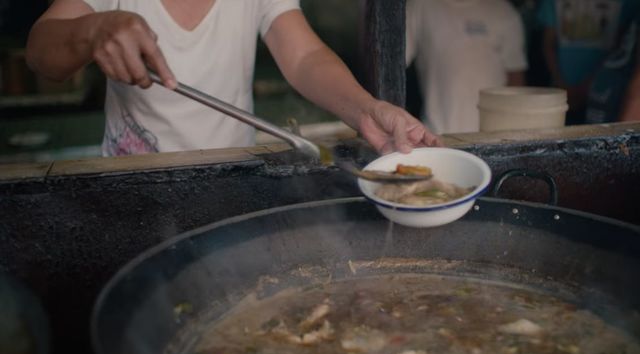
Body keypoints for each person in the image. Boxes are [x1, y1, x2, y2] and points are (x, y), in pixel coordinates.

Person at [26, 0, 441, 157]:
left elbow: (304, 56)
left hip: (231, 183)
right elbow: (42, 52)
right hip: (132, 190)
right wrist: (93, 29)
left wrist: (367, 110)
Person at [405, 0, 527, 135]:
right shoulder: (420, 5)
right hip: (437, 136)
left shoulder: (503, 10)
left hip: (494, 138)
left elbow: (515, 78)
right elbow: (391, 62)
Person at [538, 0, 639, 125]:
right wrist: (561, 84)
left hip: (605, 94)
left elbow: (621, 47)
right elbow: (548, 43)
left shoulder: (629, 3)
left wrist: (588, 85)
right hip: (562, 91)